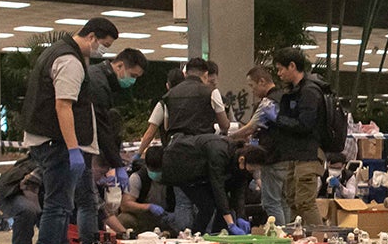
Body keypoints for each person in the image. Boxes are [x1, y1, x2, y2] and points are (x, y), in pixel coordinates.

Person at [17, 17, 119, 244]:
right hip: (57, 143)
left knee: (61, 202)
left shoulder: (56, 52)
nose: (103, 51)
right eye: (104, 44)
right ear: (91, 37)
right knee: (59, 204)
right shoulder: (69, 60)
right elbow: (63, 106)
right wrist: (73, 149)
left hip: (50, 140)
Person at [266, 47, 328, 229]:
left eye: (280, 69)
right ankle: (297, 239)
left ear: (292, 66)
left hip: (308, 154)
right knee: (292, 200)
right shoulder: (294, 91)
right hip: (295, 154)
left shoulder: (309, 92)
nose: (279, 74)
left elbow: (304, 125)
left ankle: (320, 241)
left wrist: (278, 118)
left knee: (305, 203)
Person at [139, 57, 231, 153]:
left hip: (174, 149)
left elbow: (166, 126)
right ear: (206, 74)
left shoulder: (169, 95)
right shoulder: (212, 92)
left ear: (185, 74)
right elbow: (224, 125)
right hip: (201, 150)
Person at [229, 64, 282, 221]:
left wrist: (228, 137)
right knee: (283, 202)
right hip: (285, 155)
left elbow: (250, 128)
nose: (252, 91)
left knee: (271, 203)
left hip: (271, 156)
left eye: (252, 86)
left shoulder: (268, 102)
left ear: (262, 81)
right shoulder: (284, 96)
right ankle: (288, 234)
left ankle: (278, 235)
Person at [115, 146, 175, 236]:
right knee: (124, 219)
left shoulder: (173, 177)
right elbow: (125, 205)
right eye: (153, 170)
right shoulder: (137, 178)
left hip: (165, 218)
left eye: (159, 169)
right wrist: (148, 207)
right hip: (142, 217)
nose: (156, 173)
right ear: (146, 166)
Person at [0, 156, 43, 244]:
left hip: (35, 192)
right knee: (28, 211)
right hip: (11, 192)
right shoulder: (46, 164)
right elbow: (28, 187)